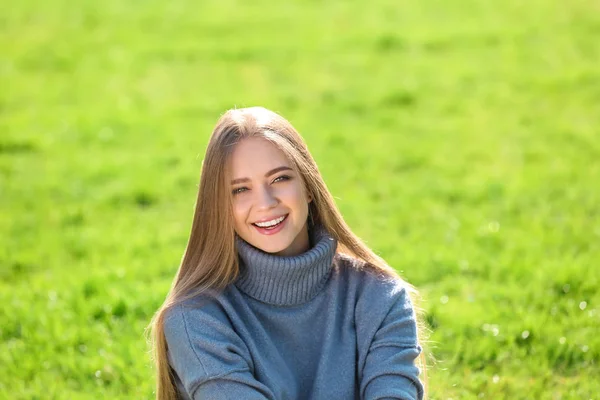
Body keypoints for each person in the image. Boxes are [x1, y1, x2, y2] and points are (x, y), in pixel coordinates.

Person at [149, 107, 426, 400]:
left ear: (308, 186)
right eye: (240, 190)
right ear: (220, 206)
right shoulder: (197, 319)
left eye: (280, 179)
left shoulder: (379, 296)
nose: (265, 202)